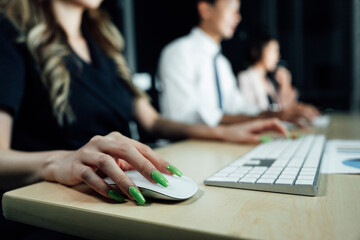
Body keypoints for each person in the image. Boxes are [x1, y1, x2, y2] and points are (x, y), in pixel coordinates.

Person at [0, 0, 287, 212]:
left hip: (122, 198)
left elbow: (152, 121)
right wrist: (59, 161)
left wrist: (223, 132)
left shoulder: (103, 43)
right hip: (55, 207)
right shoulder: (10, 33)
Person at [158, 0, 316, 127]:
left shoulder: (221, 63)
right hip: (186, 149)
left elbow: (237, 106)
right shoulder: (178, 53)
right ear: (205, 9)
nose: (238, 17)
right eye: (231, 7)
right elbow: (183, 118)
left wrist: (276, 114)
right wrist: (271, 116)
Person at [238, 31, 319, 123]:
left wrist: (285, 85)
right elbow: (251, 113)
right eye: (273, 51)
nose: (277, 56)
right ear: (257, 51)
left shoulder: (268, 80)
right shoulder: (245, 77)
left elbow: (283, 109)